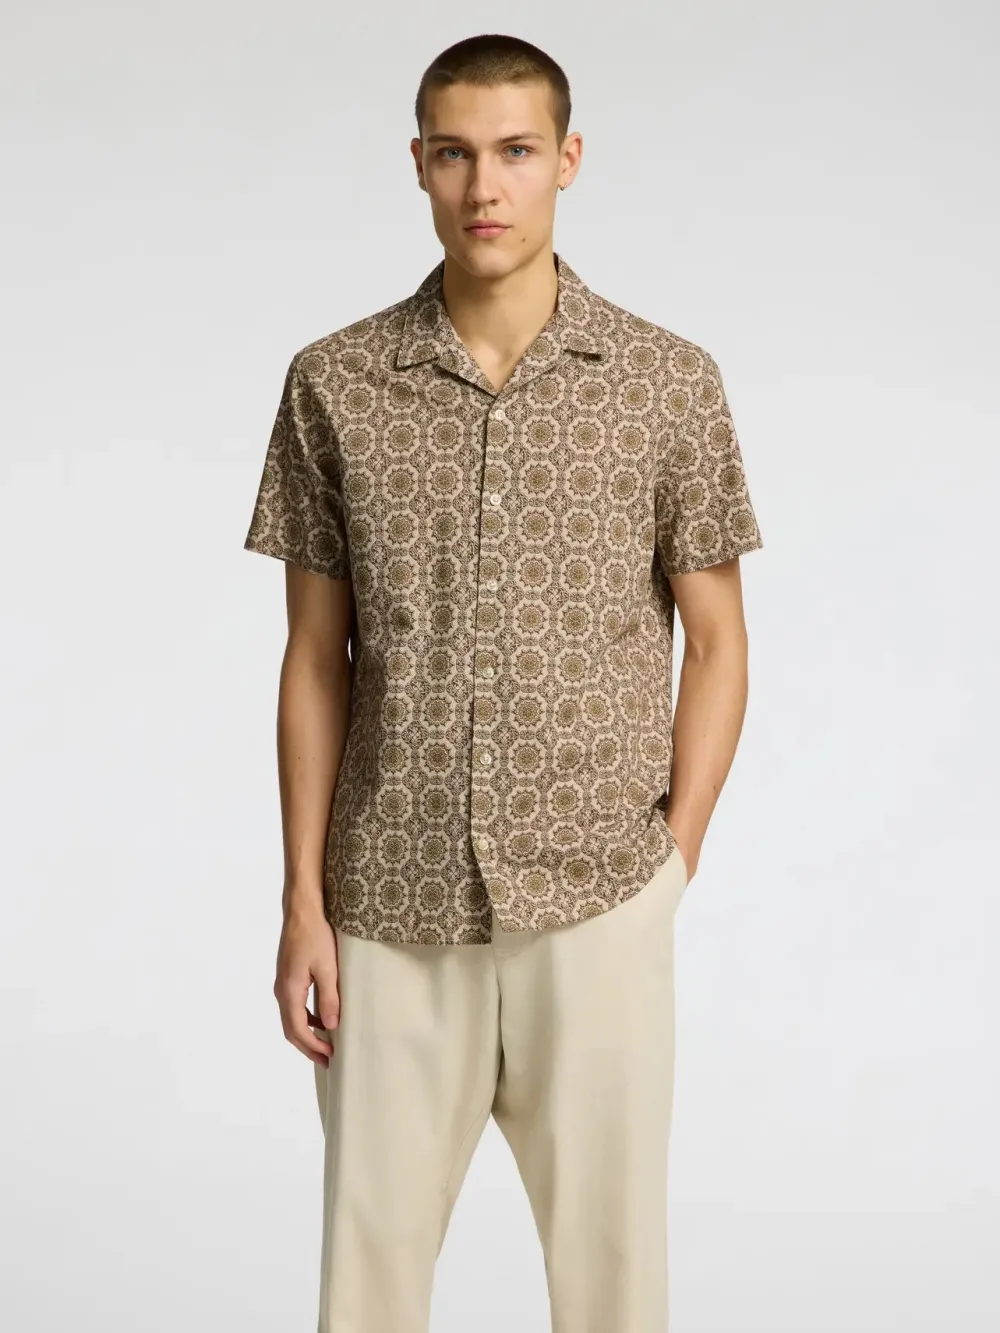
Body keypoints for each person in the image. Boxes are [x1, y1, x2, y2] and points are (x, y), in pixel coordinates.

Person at [243, 30, 764, 1333]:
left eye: (517, 151)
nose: (486, 185)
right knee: (366, 1285)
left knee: (613, 1285)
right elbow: (313, 659)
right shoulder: (333, 384)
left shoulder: (666, 382)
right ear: (419, 163)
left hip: (598, 895)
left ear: (568, 160)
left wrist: (674, 861)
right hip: (387, 902)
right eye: (456, 154)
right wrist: (304, 902)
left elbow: (718, 640)